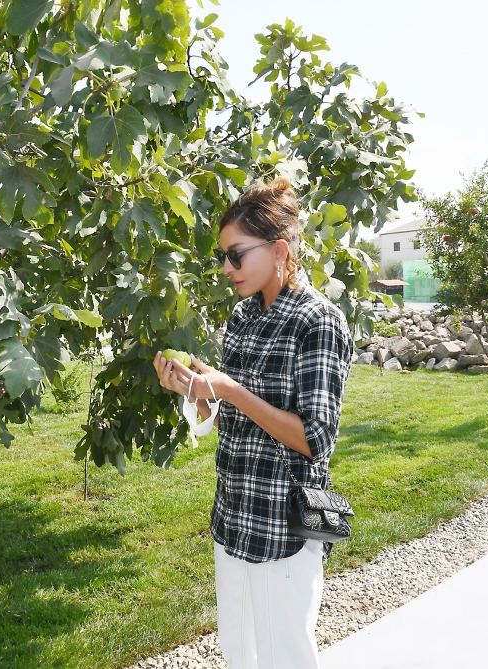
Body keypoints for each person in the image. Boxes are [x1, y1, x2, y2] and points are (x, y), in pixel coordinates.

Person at [152, 176, 354, 669]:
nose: (226, 268)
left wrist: (231, 389)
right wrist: (199, 395)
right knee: (240, 654)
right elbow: (236, 422)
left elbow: (314, 439)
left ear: (279, 249)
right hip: (234, 517)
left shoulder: (317, 322)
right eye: (223, 256)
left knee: (286, 658)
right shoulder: (243, 317)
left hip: (283, 526)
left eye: (236, 255)